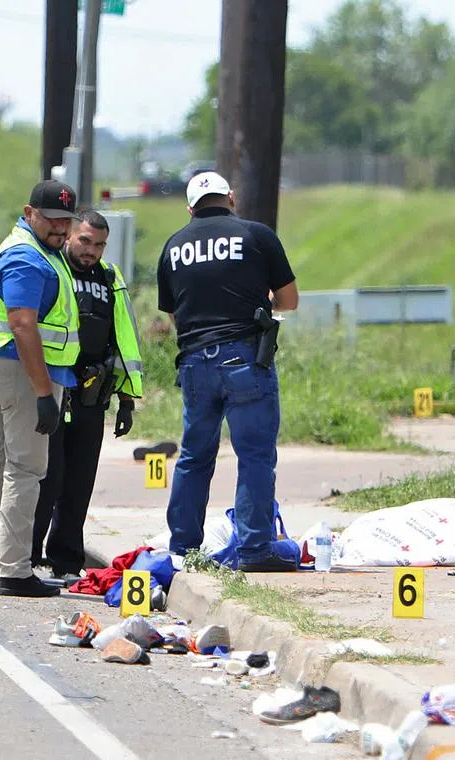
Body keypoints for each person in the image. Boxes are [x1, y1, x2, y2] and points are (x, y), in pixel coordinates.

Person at [156, 172, 299, 572]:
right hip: (244, 358)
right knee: (254, 455)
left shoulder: (173, 247)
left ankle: (183, 549)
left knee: (194, 457)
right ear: (230, 198)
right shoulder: (256, 236)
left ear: (190, 208)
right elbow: (289, 300)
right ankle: (255, 548)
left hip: (195, 361)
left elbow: (175, 313)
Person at [0, 180, 81, 598]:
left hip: (4, 369)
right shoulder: (27, 259)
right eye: (52, 219)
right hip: (22, 374)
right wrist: (41, 393)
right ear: (29, 212)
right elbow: (22, 324)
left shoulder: (36, 249)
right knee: (25, 470)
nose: (60, 229)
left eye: (66, 221)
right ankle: (14, 572)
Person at [31, 209, 143, 580]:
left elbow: (124, 338)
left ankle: (66, 561)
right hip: (52, 385)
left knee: (79, 481)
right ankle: (27, 556)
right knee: (47, 476)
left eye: (99, 245)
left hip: (93, 393)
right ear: (70, 234)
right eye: (85, 241)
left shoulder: (109, 278)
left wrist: (126, 399)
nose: (91, 250)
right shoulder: (52, 268)